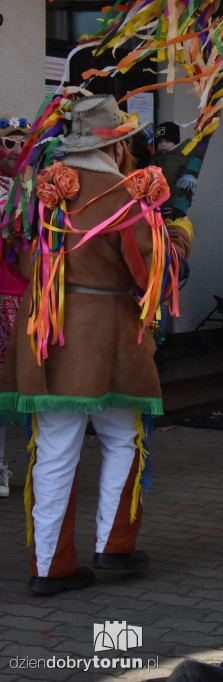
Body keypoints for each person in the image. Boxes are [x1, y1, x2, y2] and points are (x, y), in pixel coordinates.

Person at [0, 94, 191, 594]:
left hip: (45, 333)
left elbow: (21, 263)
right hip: (106, 336)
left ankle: (49, 568)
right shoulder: (123, 195)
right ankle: (114, 547)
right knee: (122, 438)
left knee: (55, 450)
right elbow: (155, 272)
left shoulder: (38, 191)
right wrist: (179, 234)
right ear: (118, 142)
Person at [0, 114, 31, 499]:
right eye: (8, 142)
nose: (16, 149)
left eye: (22, 142)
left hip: (26, 296)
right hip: (2, 295)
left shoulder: (32, 187)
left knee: (19, 387)